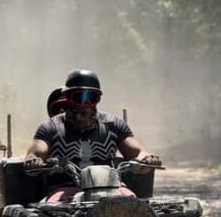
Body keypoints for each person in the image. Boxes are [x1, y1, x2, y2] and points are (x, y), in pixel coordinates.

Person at [26, 70, 161, 174]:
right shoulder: (51, 127)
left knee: (130, 199)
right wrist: (33, 160)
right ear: (68, 98)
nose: (86, 104)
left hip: (111, 189)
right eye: (79, 97)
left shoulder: (114, 125)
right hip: (64, 191)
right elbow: (36, 152)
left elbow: (137, 151)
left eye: (92, 98)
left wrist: (146, 158)